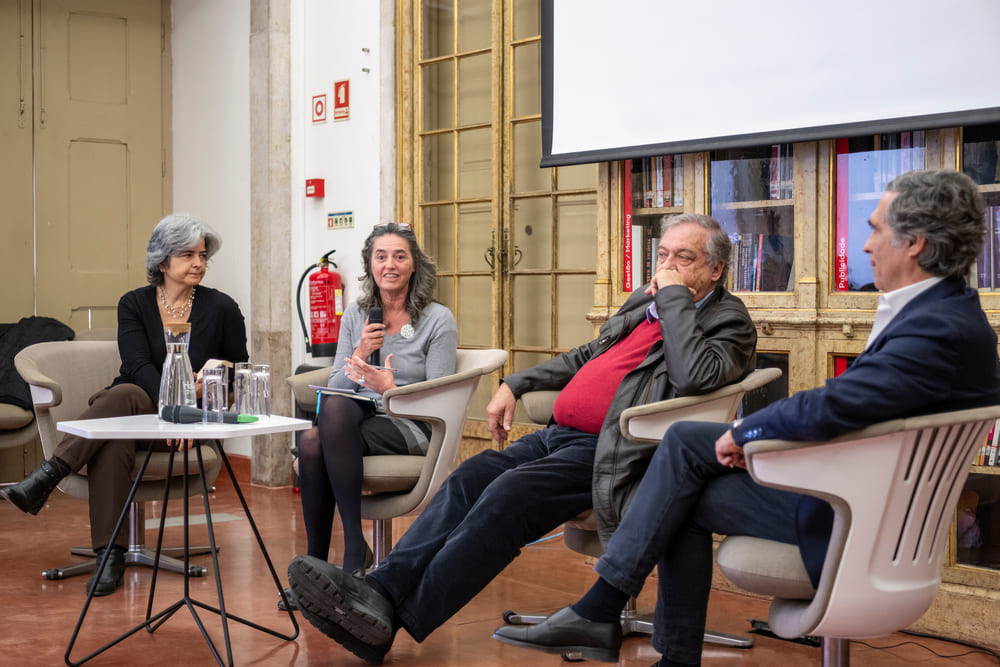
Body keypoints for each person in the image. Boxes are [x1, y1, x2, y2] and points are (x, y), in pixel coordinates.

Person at [491, 169, 1000, 666]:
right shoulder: (949, 312)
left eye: (874, 229)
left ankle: (603, 612)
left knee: (681, 477)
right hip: (864, 492)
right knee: (683, 465)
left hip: (858, 516)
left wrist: (746, 430)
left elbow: (836, 405)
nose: (865, 246)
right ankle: (651, 641)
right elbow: (853, 405)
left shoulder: (934, 329)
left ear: (914, 242)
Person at [285, 213, 759, 664]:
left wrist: (673, 300)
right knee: (470, 478)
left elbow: (695, 375)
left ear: (716, 269)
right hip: (561, 435)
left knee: (509, 495)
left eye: (685, 258)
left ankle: (396, 618)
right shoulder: (643, 304)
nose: (668, 267)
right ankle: (380, 591)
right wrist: (518, 382)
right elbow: (587, 355)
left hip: (620, 448)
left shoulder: (728, 321)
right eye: (663, 256)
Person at [0, 214, 248, 597]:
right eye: (187, 255)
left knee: (118, 412)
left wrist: (212, 381)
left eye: (202, 255)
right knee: (124, 406)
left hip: (188, 425)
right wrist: (171, 399)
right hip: (139, 408)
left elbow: (239, 368)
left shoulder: (222, 308)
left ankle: (52, 478)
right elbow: (135, 365)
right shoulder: (134, 303)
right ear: (162, 261)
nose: (198, 263)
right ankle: (109, 556)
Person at [281, 222, 458, 611]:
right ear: (370, 265)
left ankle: (351, 551)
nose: (389, 265)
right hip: (357, 421)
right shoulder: (357, 315)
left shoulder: (437, 319)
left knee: (321, 430)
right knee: (321, 428)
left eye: (399, 256)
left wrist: (390, 390)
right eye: (381, 257)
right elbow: (339, 381)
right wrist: (360, 351)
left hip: (414, 425)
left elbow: (442, 399)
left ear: (414, 266)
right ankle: (319, 566)